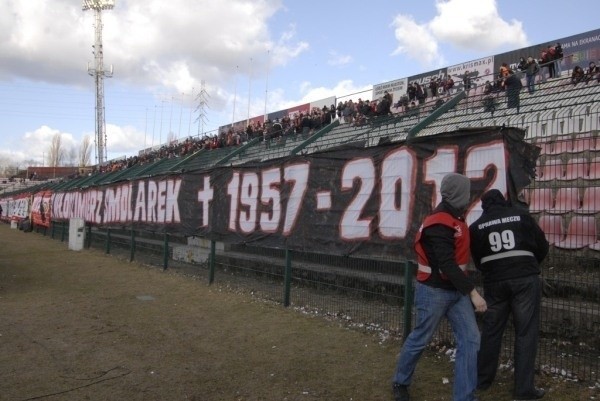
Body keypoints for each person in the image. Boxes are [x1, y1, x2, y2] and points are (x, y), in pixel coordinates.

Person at [392, 173, 487, 401]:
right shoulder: (439, 223)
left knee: (471, 339)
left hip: (455, 291)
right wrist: (473, 293)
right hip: (434, 292)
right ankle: (400, 381)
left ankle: (465, 396)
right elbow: (447, 265)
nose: (469, 196)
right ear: (458, 194)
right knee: (421, 337)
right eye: (466, 192)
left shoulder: (454, 217)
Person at [469, 190, 549, 400]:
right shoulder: (521, 215)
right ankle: (523, 390)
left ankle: (482, 380)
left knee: (491, 331)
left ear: (484, 206)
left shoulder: (476, 227)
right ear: (504, 201)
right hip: (524, 279)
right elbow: (542, 245)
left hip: (495, 283)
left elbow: (478, 261)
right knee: (525, 333)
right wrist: (528, 265)